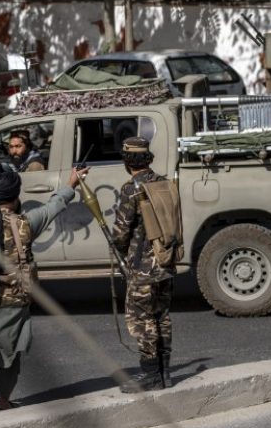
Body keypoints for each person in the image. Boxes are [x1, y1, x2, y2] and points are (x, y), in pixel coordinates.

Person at [0, 168, 87, 415]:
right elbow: (54, 206)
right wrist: (71, 184)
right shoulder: (26, 224)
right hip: (15, 304)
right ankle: (3, 401)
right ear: (14, 198)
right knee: (9, 356)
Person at [112, 137, 179, 393]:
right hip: (165, 261)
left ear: (128, 161)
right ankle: (164, 373)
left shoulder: (132, 189)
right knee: (161, 316)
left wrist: (118, 252)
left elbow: (121, 233)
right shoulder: (163, 182)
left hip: (142, 267)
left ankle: (150, 374)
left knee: (141, 320)